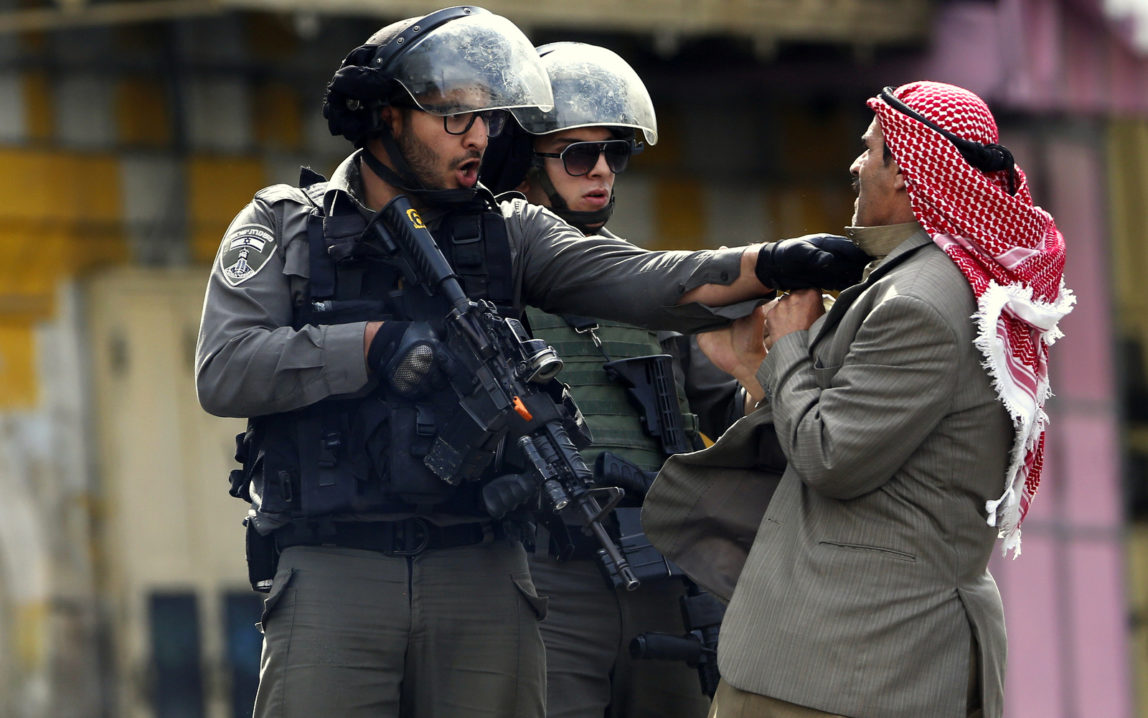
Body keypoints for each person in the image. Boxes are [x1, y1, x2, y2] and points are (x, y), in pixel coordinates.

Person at [193, 6, 865, 718]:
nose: (479, 137)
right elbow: (226, 366)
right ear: (389, 116)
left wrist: (775, 261)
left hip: (482, 566)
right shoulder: (287, 223)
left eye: (488, 120)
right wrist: (371, 347)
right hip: (334, 568)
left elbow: (647, 281)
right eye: (456, 118)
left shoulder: (509, 229)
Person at [648, 81, 1075, 718]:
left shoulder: (919, 305)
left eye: (870, 151)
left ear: (908, 175)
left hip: (848, 665)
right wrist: (765, 370)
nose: (854, 165)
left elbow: (832, 455)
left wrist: (789, 344)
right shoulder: (938, 284)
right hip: (867, 659)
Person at [482, 42, 742, 717]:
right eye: (577, 156)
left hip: (660, 571)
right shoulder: (479, 285)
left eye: (613, 155)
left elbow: (727, 410)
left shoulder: (646, 291)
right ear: (521, 158)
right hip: (545, 574)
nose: (600, 173)